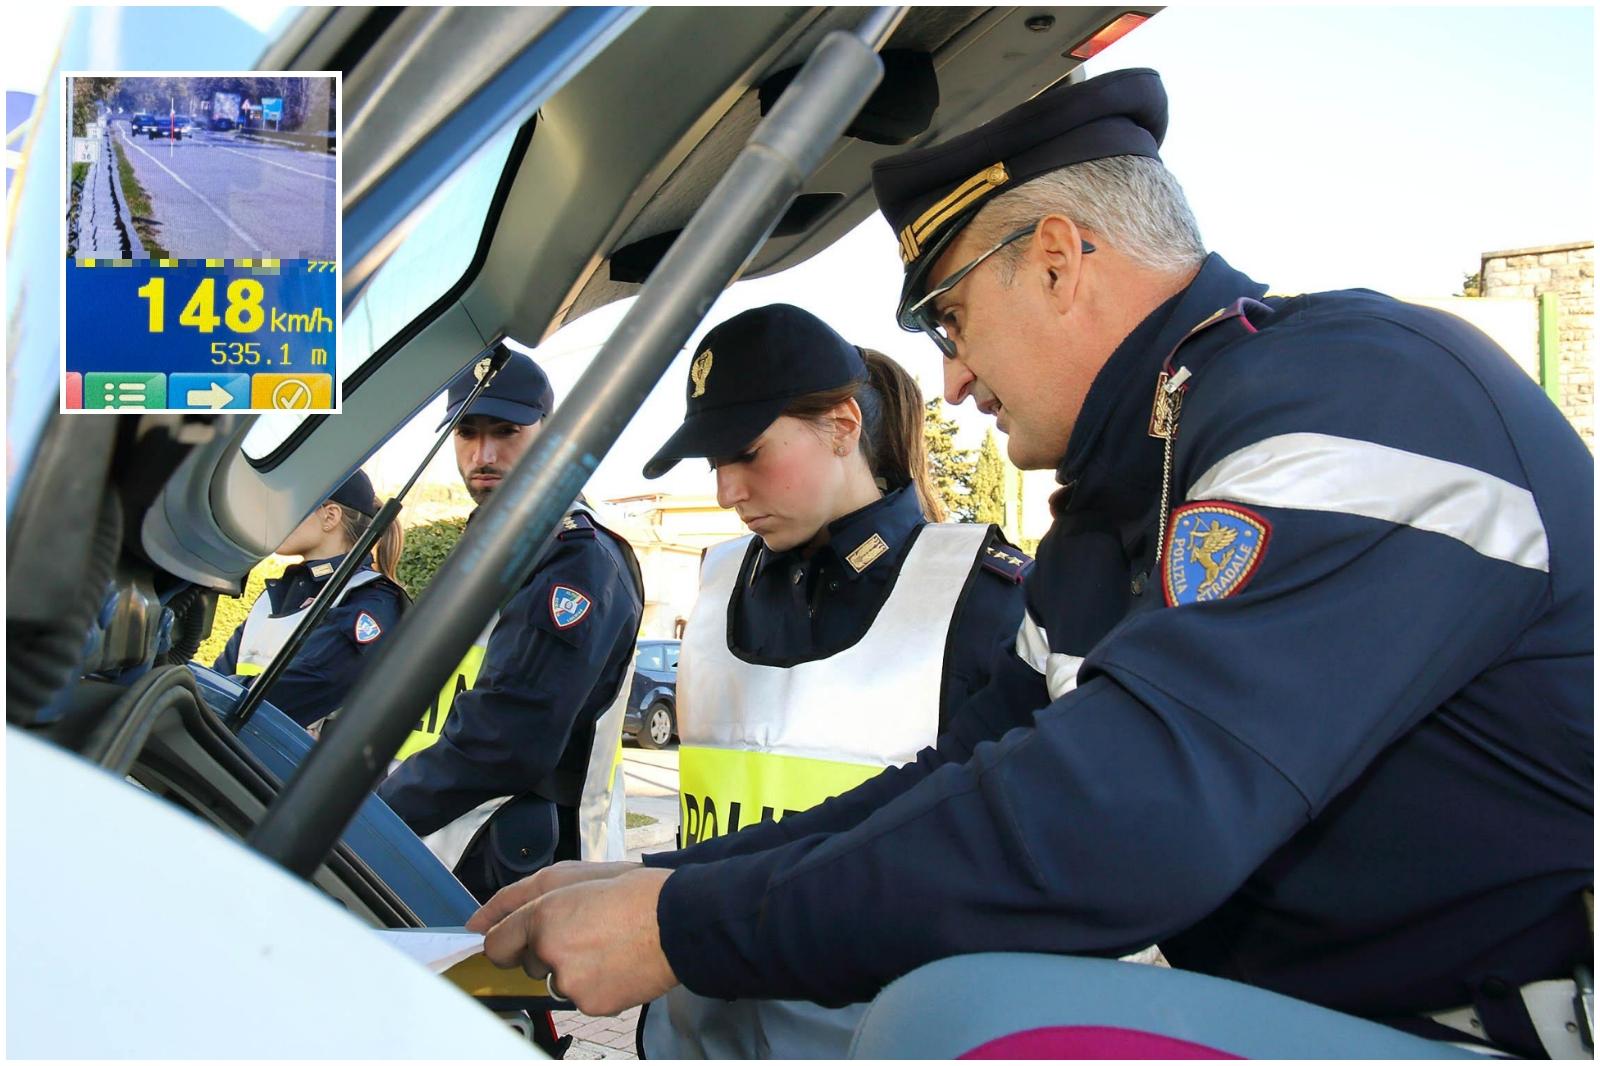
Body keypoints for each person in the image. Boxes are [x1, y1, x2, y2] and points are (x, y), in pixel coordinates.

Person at [465, 69, 1592, 1058]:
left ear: (1055, 261)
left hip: (1495, 1028)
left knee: (955, 1027)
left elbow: (1128, 815)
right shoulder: (1124, 501)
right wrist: (672, 890)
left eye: (947, 321)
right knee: (729, 997)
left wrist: (683, 928)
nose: (949, 381)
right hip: (1335, 1012)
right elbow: (966, 770)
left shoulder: (1358, 399)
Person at [634, 303, 1032, 1057]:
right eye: (714, 463)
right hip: (695, 1032)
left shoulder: (979, 598)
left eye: (748, 453)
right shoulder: (717, 580)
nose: (725, 492)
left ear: (844, 426)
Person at [378, 347, 646, 904]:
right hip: (449, 846)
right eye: (467, 432)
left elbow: (506, 740)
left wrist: (369, 818)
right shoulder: (493, 546)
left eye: (506, 431)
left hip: (519, 870)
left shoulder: (574, 558)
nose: (484, 454)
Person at [211, 470, 408, 729]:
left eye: (292, 507)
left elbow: (292, 691)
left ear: (330, 516)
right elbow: (216, 681)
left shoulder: (370, 600)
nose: (276, 518)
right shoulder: (276, 595)